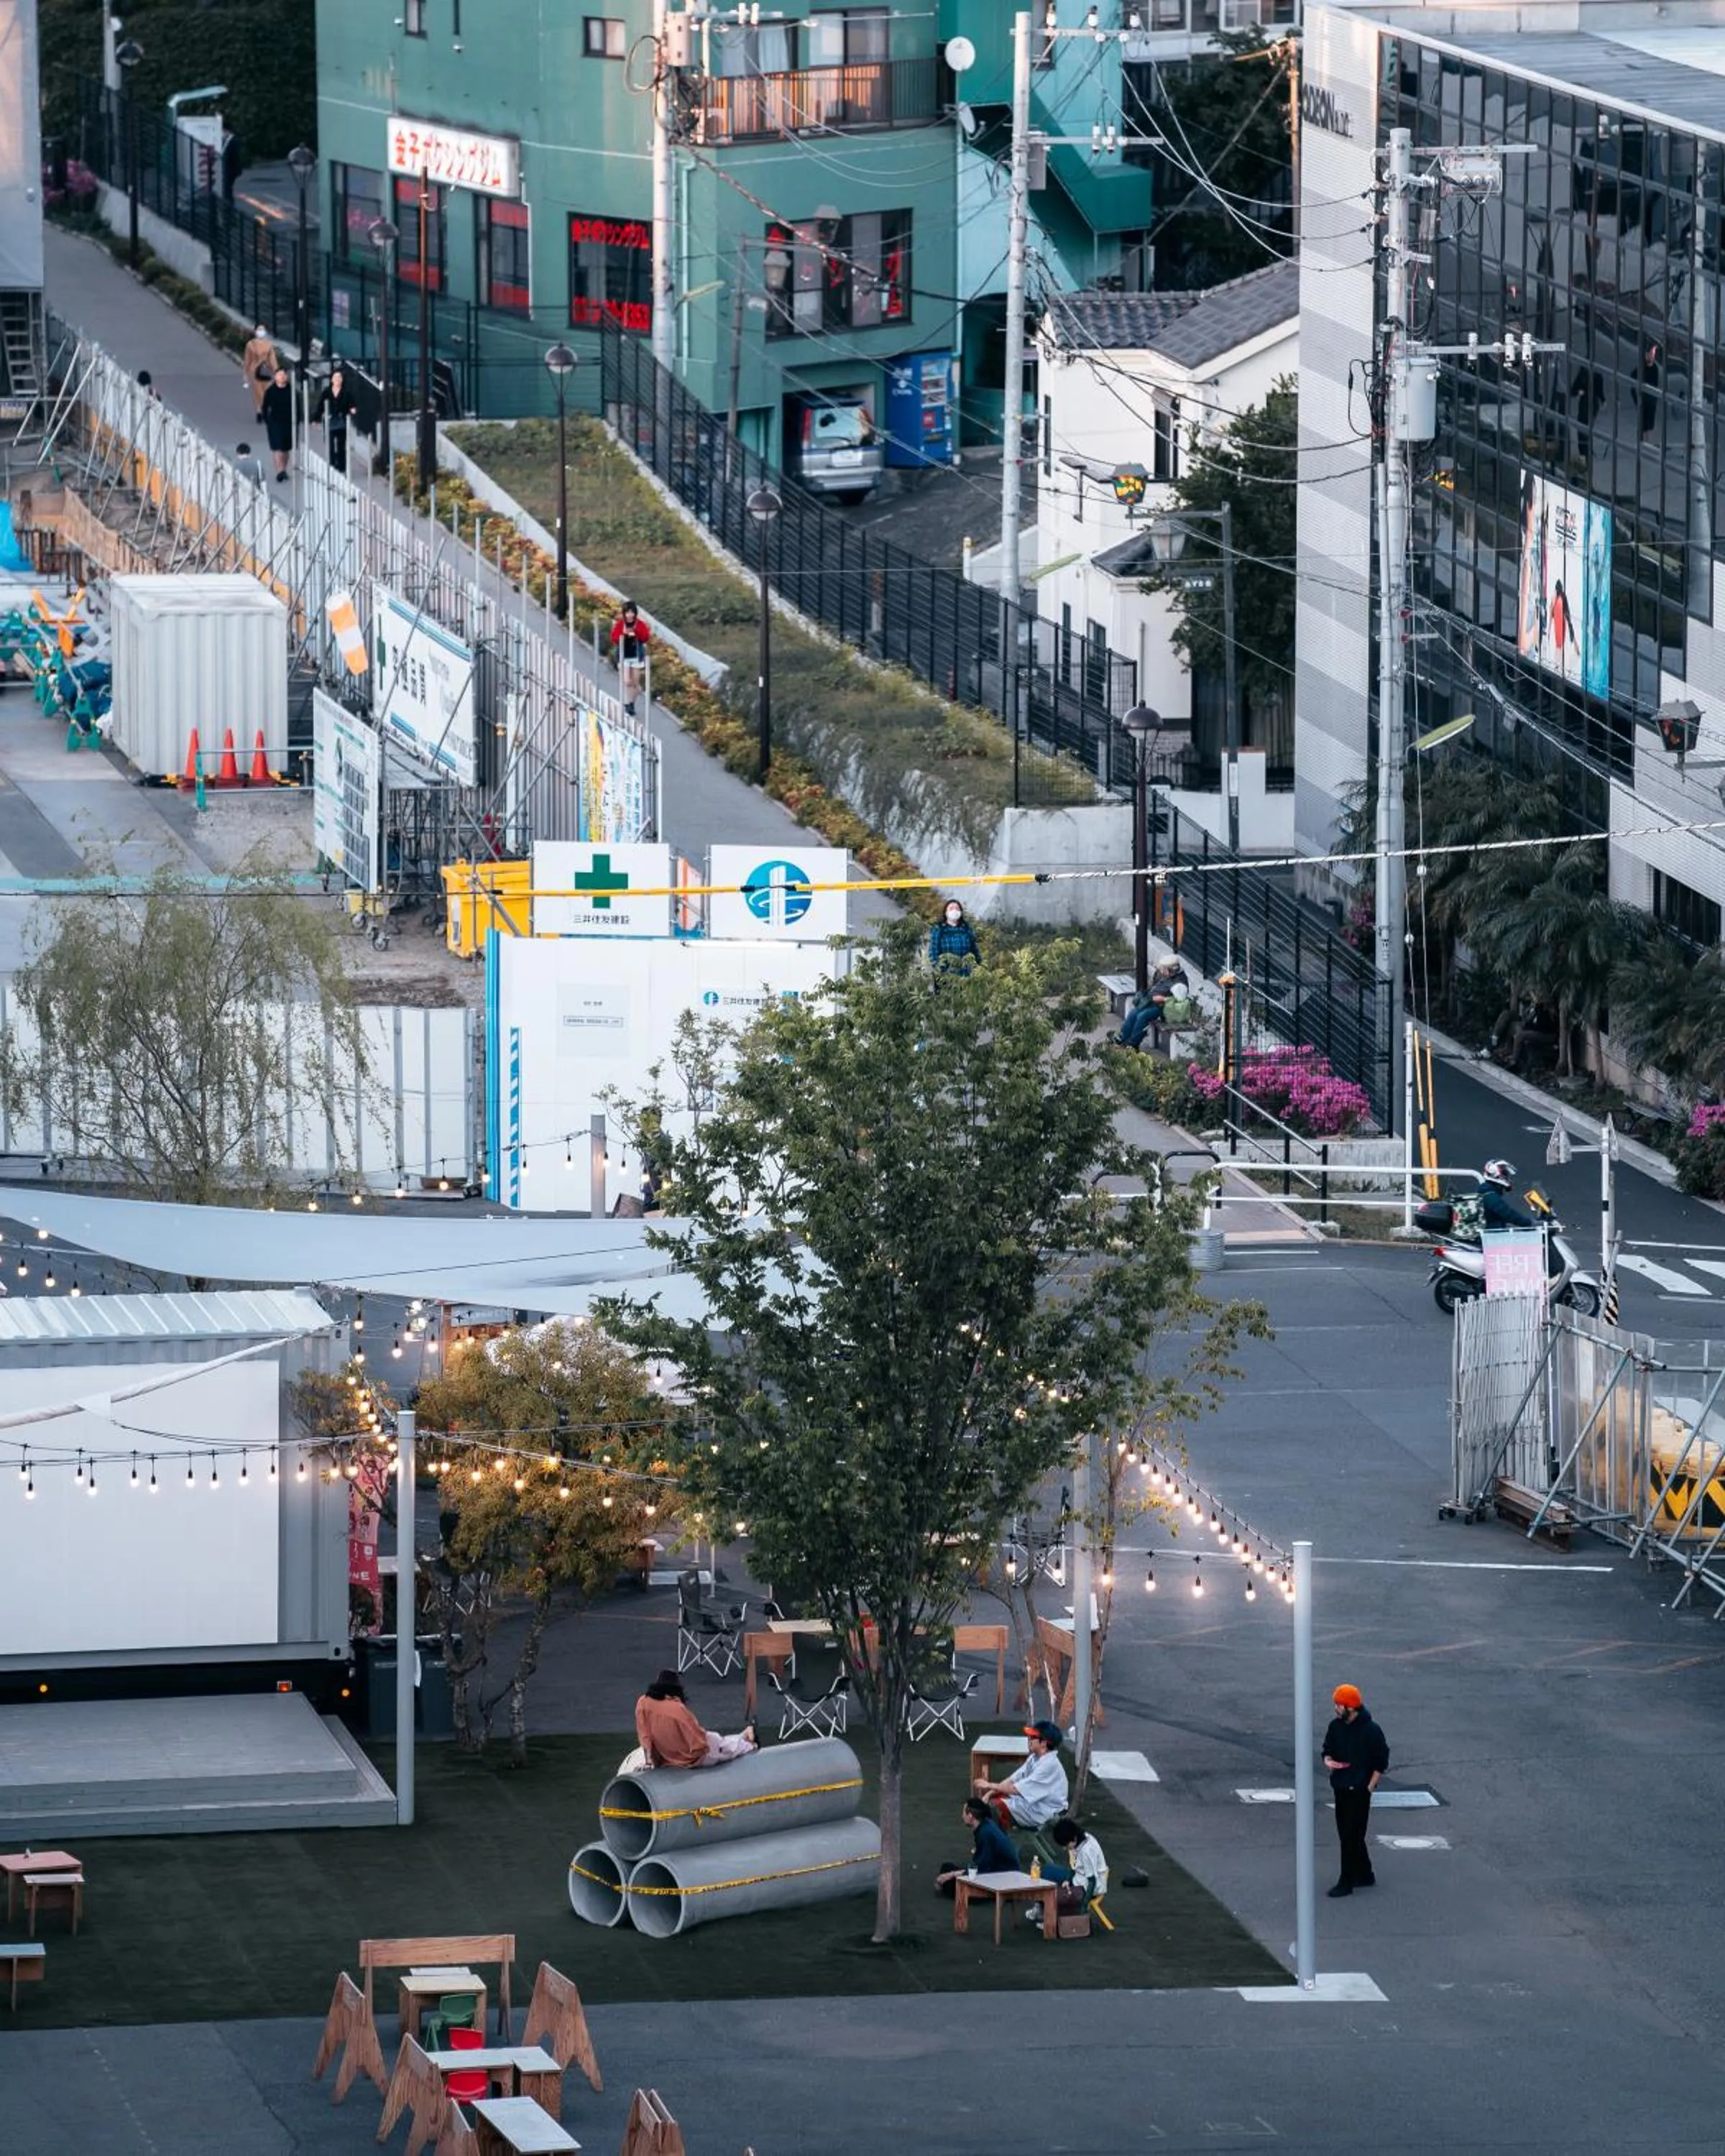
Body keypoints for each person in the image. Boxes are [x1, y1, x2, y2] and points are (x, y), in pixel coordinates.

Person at [1322, 1682, 1389, 1897]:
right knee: (1349, 1833)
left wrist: (1370, 1786)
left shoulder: (1372, 1731)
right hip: (1341, 1787)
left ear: (1351, 1707)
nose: (1336, 1709)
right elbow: (1327, 1749)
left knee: (1351, 1834)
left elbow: (1381, 1761)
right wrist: (1328, 1761)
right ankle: (1365, 1872)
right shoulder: (1336, 1727)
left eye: (1339, 1705)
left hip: (1359, 1790)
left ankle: (1346, 1881)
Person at [633, 1669, 758, 1770]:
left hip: (669, 1758)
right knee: (728, 1748)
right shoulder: (677, 1709)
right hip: (691, 1756)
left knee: (725, 1744)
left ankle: (745, 1735)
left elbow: (645, 1738)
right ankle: (750, 1743)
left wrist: (649, 1762)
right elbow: (698, 1742)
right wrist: (701, 1754)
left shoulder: (642, 1703)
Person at [975, 1720, 1069, 1830]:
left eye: (1032, 1737)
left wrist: (989, 1785)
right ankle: (996, 1841)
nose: (1028, 1739)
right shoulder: (1035, 1758)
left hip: (1046, 1810)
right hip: (1036, 1804)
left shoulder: (1048, 1765)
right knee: (991, 1800)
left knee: (993, 1807)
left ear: (1044, 1743)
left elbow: (1015, 1789)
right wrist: (990, 1793)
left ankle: (997, 1844)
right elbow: (1012, 1780)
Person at [1028, 1814, 1110, 1925]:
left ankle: (1044, 1912)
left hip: (1085, 1887)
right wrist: (1067, 1879)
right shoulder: (1083, 1838)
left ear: (1074, 1838)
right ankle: (1041, 1907)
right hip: (1081, 1878)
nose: (1065, 1848)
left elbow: (1092, 1881)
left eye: (1066, 1845)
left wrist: (1084, 1906)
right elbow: (1074, 1867)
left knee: (1047, 1873)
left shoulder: (1086, 1851)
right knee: (1049, 1870)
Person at [934, 1797, 1021, 1896]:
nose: (962, 1817)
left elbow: (981, 1868)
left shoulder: (985, 1833)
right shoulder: (986, 1824)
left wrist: (953, 1874)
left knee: (950, 1884)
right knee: (947, 1867)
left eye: (964, 1813)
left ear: (970, 1816)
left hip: (1003, 1878)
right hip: (995, 1869)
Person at [1110, 959, 1190, 1053]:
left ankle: (1133, 1045)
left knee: (1143, 1016)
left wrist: (1163, 999)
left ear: (1170, 970)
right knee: (1133, 1013)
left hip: (1164, 1009)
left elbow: (1181, 1004)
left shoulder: (1179, 985)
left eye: (1163, 969)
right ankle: (1121, 1038)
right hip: (1153, 1003)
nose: (1161, 970)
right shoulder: (1168, 976)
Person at [610, 600, 652, 714]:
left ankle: (631, 703)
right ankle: (629, 702)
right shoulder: (620, 624)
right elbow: (614, 638)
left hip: (636, 656)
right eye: (627, 612)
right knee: (627, 681)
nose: (630, 615)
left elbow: (645, 638)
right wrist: (624, 635)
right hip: (624, 656)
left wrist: (636, 632)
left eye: (632, 612)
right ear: (624, 613)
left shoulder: (639, 624)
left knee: (635, 683)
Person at [319, 359, 357, 476]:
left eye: (340, 378)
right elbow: (320, 405)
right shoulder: (326, 392)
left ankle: (342, 466)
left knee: (341, 444)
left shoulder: (347, 393)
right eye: (335, 378)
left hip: (342, 420)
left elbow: (353, 404)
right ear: (331, 379)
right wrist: (316, 419)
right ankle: (332, 465)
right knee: (330, 444)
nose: (338, 380)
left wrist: (353, 409)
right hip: (330, 420)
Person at [928, 898, 980, 976]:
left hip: (966, 975)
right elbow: (933, 951)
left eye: (957, 909)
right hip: (946, 975)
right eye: (951, 908)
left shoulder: (966, 929)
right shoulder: (939, 930)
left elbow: (974, 950)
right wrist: (939, 969)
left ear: (961, 912)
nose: (954, 911)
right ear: (946, 912)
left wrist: (978, 966)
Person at [260, 366, 295, 482]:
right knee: (278, 447)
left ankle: (284, 469)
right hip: (275, 423)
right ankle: (280, 471)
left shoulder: (292, 391)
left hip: (289, 423)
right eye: (279, 375)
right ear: (275, 377)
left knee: (286, 449)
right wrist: (267, 420)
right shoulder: (270, 391)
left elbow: (297, 407)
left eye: (284, 375)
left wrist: (297, 421)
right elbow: (265, 407)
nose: (282, 377)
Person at [242, 325, 279, 420]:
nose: (261, 332)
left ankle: (261, 410)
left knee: (264, 392)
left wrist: (276, 371)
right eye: (259, 330)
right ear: (255, 332)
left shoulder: (267, 345)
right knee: (259, 392)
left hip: (263, 371)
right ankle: (260, 410)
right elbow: (247, 360)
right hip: (257, 371)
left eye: (262, 330)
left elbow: (272, 359)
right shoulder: (251, 345)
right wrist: (245, 373)